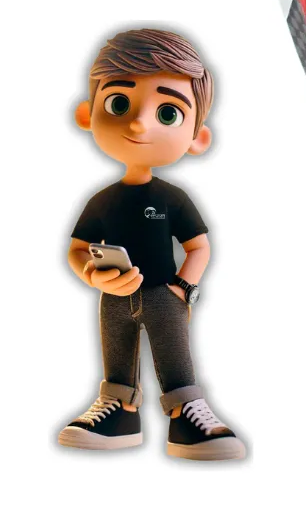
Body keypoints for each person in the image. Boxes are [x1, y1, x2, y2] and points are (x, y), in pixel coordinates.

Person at [58, 28, 246, 460]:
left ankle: (187, 415)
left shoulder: (172, 198)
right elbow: (77, 248)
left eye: (167, 112)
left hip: (165, 294)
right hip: (113, 295)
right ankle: (119, 412)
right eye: (119, 104)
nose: (139, 123)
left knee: (175, 358)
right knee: (116, 357)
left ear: (198, 137)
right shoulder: (102, 200)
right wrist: (91, 274)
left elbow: (199, 247)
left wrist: (184, 288)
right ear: (87, 115)